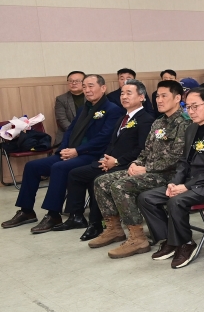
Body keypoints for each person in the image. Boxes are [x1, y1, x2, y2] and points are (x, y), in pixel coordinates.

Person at [2, 75, 124, 232]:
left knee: (59, 168)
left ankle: (53, 214)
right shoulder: (84, 109)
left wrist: (76, 151)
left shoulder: (112, 109)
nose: (87, 90)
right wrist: (64, 150)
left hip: (92, 154)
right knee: (33, 166)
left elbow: (103, 138)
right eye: (85, 86)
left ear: (103, 88)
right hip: (71, 152)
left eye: (91, 86)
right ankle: (27, 211)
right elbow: (70, 131)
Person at [87, 81, 191, 256]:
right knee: (101, 181)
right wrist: (137, 163)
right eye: (157, 96)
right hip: (150, 171)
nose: (159, 100)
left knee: (120, 186)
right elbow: (146, 150)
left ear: (178, 98)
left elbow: (176, 158)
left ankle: (137, 238)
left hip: (170, 176)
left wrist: (146, 168)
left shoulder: (184, 123)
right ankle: (114, 229)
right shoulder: (159, 123)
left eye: (164, 96)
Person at [137, 88, 204, 269]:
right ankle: (170, 240)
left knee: (176, 201)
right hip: (189, 182)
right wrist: (174, 182)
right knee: (146, 198)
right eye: (188, 107)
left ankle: (186, 243)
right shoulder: (191, 128)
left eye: (195, 106)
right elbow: (183, 162)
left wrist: (187, 186)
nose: (190, 111)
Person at [54, 80, 154, 239]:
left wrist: (116, 161)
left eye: (129, 93)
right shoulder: (123, 118)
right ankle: (76, 216)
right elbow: (111, 143)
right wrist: (104, 159)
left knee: (98, 179)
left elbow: (141, 149)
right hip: (110, 161)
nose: (124, 97)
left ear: (141, 97)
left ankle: (97, 224)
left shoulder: (146, 119)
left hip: (127, 164)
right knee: (75, 174)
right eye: (122, 93)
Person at [53, 71, 86, 147]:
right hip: (68, 134)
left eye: (77, 81)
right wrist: (76, 132)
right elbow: (62, 120)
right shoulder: (61, 99)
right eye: (71, 81)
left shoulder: (91, 96)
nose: (73, 83)